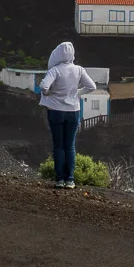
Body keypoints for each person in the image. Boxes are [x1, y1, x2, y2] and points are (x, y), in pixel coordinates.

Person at [37, 42, 96, 189]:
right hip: (73, 112)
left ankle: (59, 180)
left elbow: (44, 87)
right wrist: (77, 93)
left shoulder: (55, 70)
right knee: (70, 146)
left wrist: (48, 94)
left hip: (56, 111)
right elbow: (92, 87)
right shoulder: (79, 70)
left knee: (58, 146)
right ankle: (70, 180)